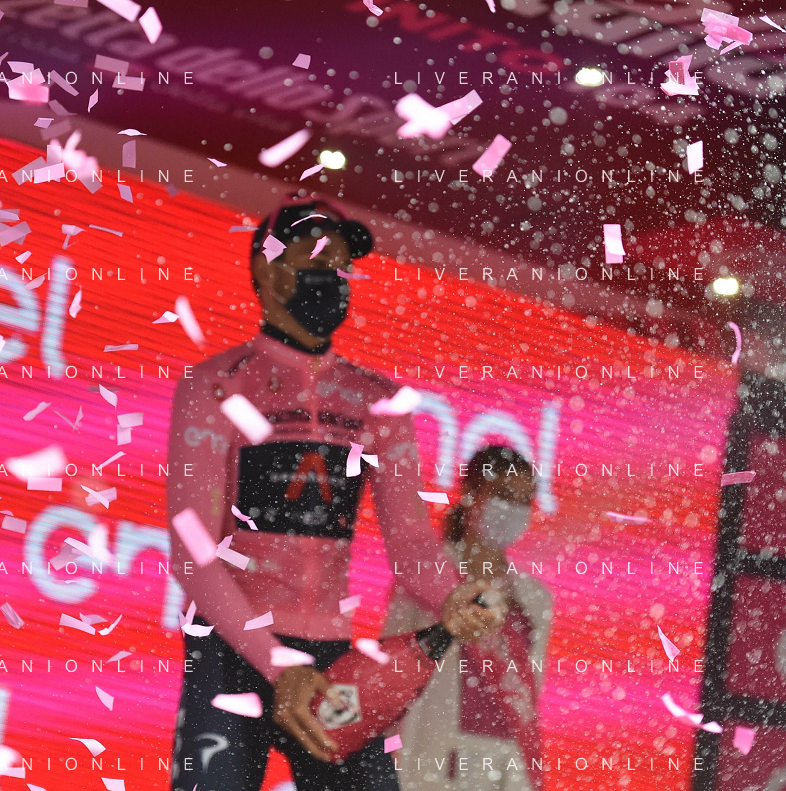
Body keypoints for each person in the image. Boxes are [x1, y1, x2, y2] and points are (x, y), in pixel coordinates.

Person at [166, 195, 504, 791]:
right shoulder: (215, 383)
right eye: (317, 258)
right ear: (269, 270)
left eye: (342, 265)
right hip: (229, 651)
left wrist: (454, 596)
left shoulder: (378, 400)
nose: (334, 277)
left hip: (332, 658)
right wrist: (277, 663)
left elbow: (411, 543)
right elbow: (193, 551)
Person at [382, 445, 552, 791]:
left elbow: (529, 694)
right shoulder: (426, 574)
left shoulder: (535, 598)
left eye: (524, 500)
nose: (513, 509)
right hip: (434, 751)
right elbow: (391, 669)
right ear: (471, 493)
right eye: (503, 494)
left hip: (507, 761)